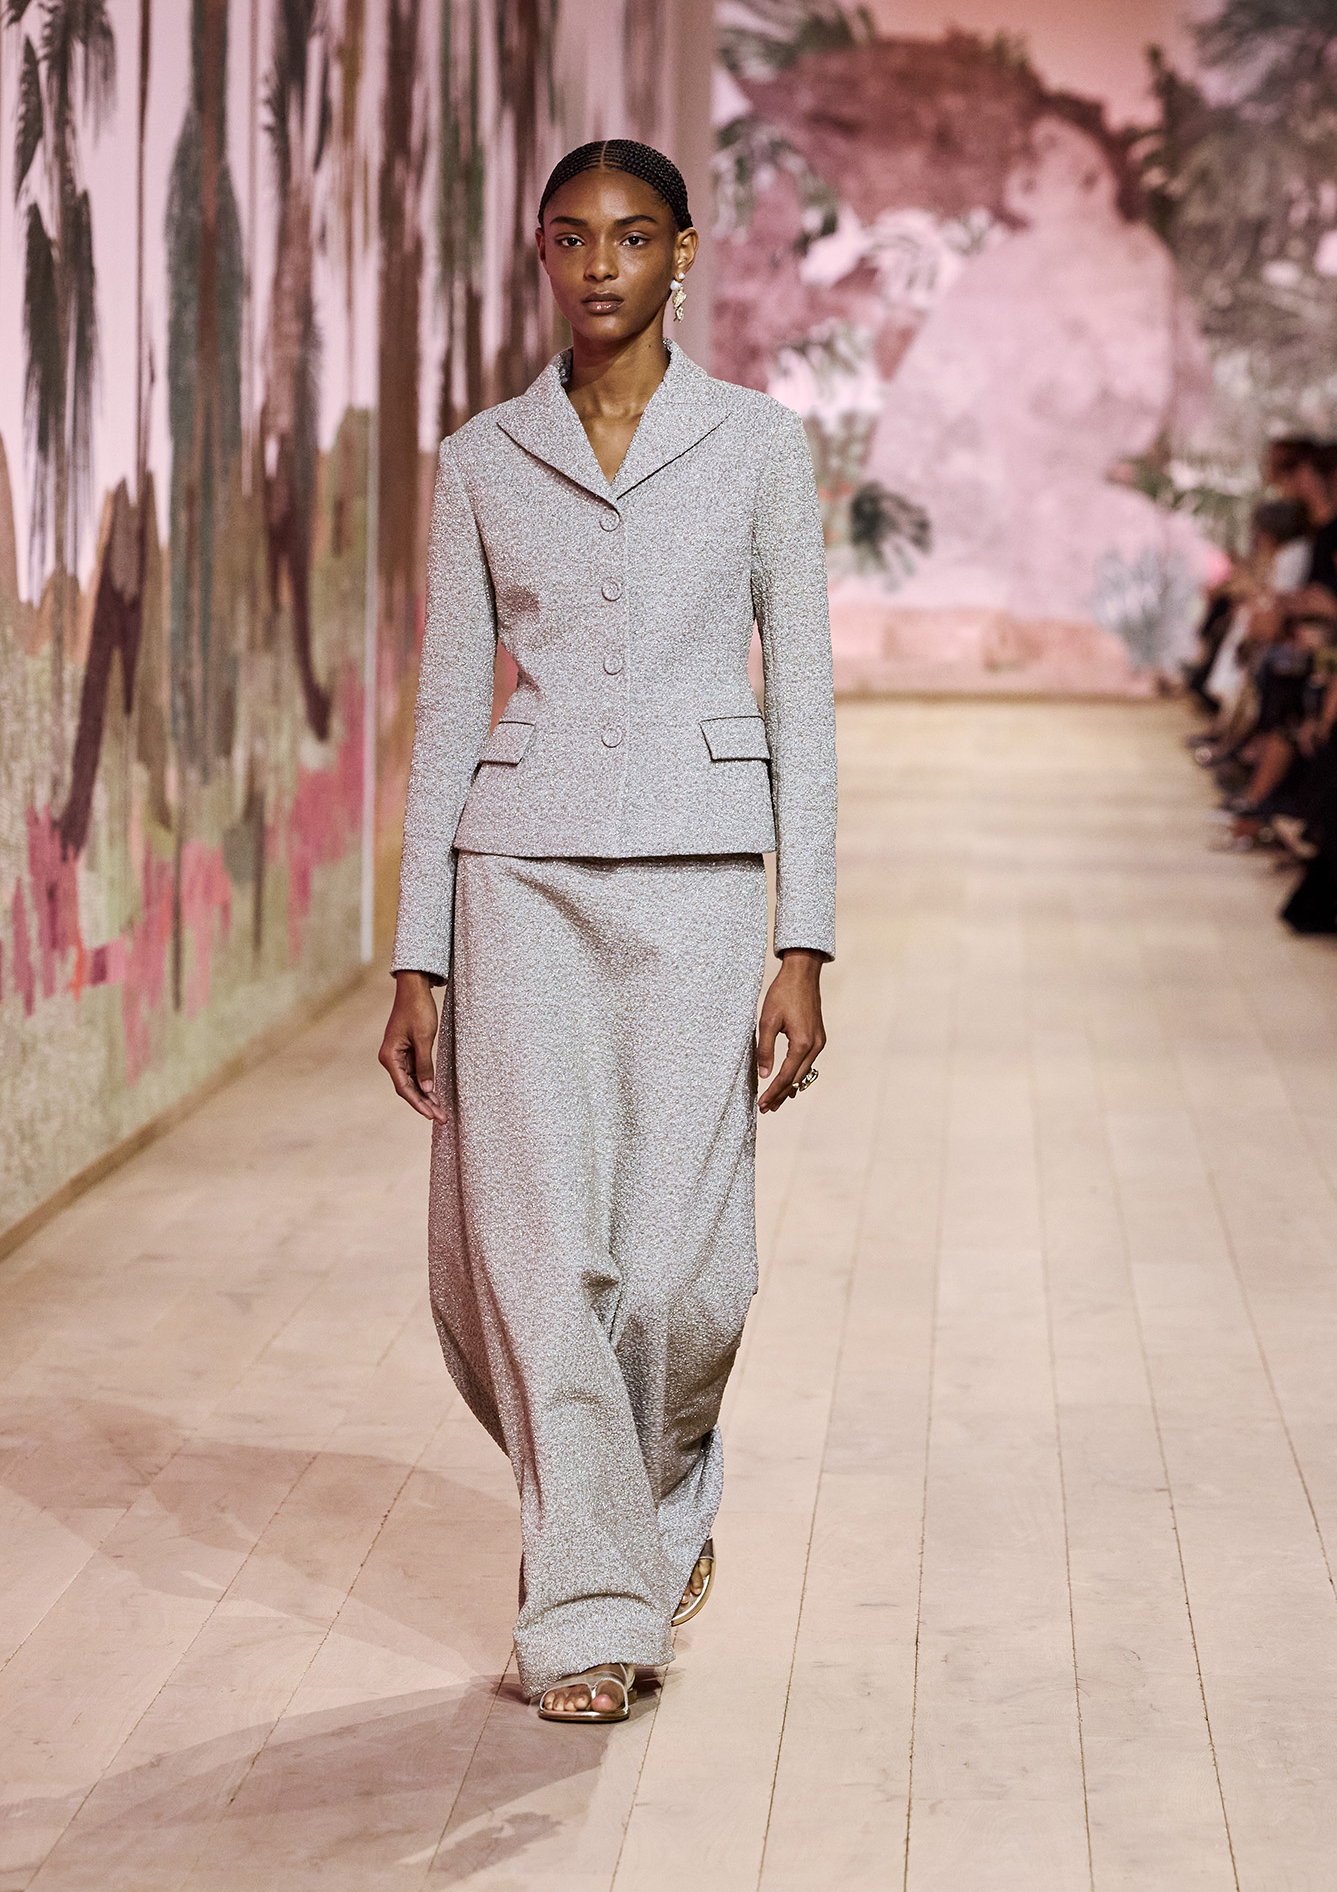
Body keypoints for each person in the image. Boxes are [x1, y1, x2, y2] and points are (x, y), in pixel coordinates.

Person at [377, 139, 837, 1725]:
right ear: (541, 252)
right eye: (571, 237)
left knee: (681, 1281)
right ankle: (585, 1612)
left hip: (702, 878)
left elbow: (806, 703)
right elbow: (451, 704)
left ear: (684, 254)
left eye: (633, 237)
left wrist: (805, 938)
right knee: (539, 1252)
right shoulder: (481, 456)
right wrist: (419, 949)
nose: (600, 266)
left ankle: (649, 1515)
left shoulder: (759, 445)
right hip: (520, 878)